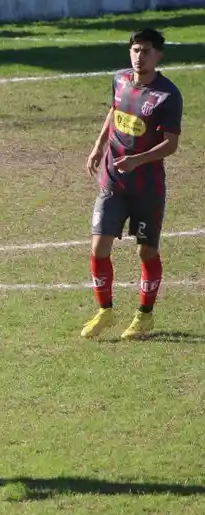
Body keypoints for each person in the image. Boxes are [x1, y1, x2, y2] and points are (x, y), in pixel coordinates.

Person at [82, 28, 182, 341]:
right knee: (98, 246)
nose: (140, 57)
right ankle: (105, 310)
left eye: (146, 51)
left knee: (146, 252)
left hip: (146, 187)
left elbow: (171, 144)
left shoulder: (167, 95)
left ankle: (144, 315)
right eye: (136, 50)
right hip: (113, 180)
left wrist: (138, 160)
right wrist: (98, 145)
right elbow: (114, 112)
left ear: (158, 55)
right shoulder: (120, 80)